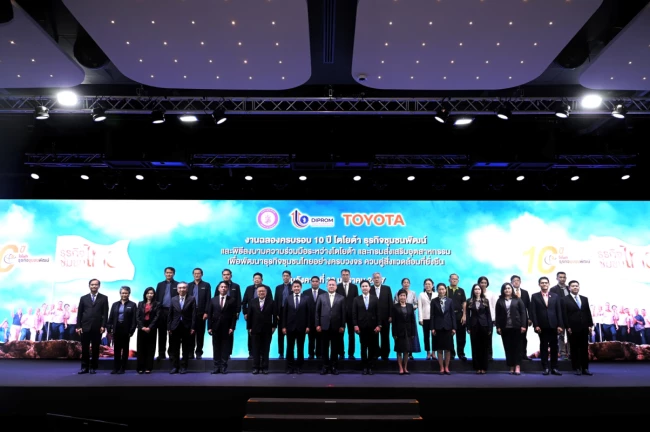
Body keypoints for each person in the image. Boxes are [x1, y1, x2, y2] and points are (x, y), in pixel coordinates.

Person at [530, 276, 564, 376]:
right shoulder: (535, 296)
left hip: (554, 325)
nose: (544, 284)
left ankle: (554, 368)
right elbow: (533, 312)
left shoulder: (555, 296)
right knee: (543, 347)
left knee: (554, 347)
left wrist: (560, 325)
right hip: (542, 326)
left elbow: (559, 311)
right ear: (539, 284)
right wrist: (536, 325)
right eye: (542, 283)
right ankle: (545, 367)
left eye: (546, 283)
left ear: (549, 284)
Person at [76, 279, 109, 375]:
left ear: (99, 286)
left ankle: (93, 367)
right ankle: (84, 367)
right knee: (85, 348)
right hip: (85, 327)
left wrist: (103, 325)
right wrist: (79, 326)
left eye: (96, 284)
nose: (94, 286)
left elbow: (105, 313)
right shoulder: (83, 298)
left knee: (95, 348)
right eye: (92, 284)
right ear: (89, 286)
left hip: (97, 327)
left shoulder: (104, 298)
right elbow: (79, 313)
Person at [562, 280, 594, 376]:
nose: (575, 287)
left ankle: (585, 368)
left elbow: (587, 312)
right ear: (569, 288)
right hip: (572, 328)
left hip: (584, 327)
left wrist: (590, 325)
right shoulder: (564, 299)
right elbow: (564, 314)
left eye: (576, 286)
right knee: (574, 348)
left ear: (579, 287)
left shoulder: (584, 299)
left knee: (584, 348)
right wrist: (567, 326)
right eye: (573, 286)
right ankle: (576, 368)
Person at [495, 282, 527, 375]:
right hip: (505, 327)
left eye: (509, 288)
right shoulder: (500, 301)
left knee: (517, 347)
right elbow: (497, 315)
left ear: (511, 289)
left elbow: (523, 313)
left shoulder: (517, 300)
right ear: (503, 290)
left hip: (516, 327)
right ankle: (511, 366)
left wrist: (523, 325)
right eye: (505, 288)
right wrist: (498, 327)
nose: (507, 290)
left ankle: (517, 366)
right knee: (508, 348)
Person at [315, 279, 346, 375]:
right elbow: (317, 312)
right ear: (327, 286)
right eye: (330, 285)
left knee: (335, 348)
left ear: (336, 287)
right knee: (324, 348)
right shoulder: (321, 297)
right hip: (324, 326)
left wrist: (342, 325)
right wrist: (317, 324)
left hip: (336, 327)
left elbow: (343, 313)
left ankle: (333, 366)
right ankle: (325, 366)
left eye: (333, 285)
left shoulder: (341, 298)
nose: (331, 286)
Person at [207, 281, 238, 374]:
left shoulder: (232, 300)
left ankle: (224, 367)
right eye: (222, 287)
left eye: (225, 287)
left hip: (227, 327)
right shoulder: (213, 300)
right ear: (218, 288)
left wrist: (232, 327)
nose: (223, 288)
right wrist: (209, 327)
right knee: (216, 347)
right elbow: (209, 314)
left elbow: (234, 315)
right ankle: (216, 367)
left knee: (225, 347)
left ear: (227, 289)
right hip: (215, 327)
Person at [167, 282, 196, 374]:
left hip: (187, 326)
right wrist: (169, 327)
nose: (182, 289)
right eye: (180, 288)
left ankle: (184, 367)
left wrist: (193, 327)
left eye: (184, 288)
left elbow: (194, 314)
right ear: (177, 289)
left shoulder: (192, 299)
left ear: (187, 289)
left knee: (185, 348)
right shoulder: (173, 299)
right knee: (174, 348)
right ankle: (175, 366)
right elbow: (170, 314)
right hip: (175, 326)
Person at [282, 280, 310, 374]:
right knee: (290, 348)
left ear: (301, 288)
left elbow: (308, 314)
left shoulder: (306, 298)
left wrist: (308, 326)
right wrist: (284, 326)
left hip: (302, 327)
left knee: (300, 348)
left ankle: (299, 367)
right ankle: (290, 367)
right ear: (292, 288)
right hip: (290, 327)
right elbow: (284, 313)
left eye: (298, 286)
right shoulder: (288, 298)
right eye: (295, 286)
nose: (296, 288)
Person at [107, 286, 137, 374]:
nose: (124, 295)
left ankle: (123, 368)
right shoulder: (115, 304)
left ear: (129, 294)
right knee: (116, 349)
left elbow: (134, 320)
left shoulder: (133, 305)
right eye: (123, 293)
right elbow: (111, 317)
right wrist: (109, 328)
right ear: (120, 293)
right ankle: (116, 368)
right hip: (116, 328)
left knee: (125, 349)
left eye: (126, 293)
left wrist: (131, 331)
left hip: (126, 329)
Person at [353, 280, 380, 375]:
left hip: (373, 327)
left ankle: (370, 366)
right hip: (362, 327)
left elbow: (378, 313)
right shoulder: (356, 299)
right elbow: (354, 313)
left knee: (372, 347)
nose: (364, 288)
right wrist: (355, 325)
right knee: (363, 347)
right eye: (363, 286)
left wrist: (379, 325)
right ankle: (364, 367)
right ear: (361, 288)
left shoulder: (375, 298)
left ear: (369, 287)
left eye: (366, 286)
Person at [247, 286, 276, 374]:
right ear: (257, 293)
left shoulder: (271, 302)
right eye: (259, 291)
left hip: (267, 329)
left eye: (263, 291)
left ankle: (265, 367)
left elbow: (275, 315)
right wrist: (249, 327)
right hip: (255, 329)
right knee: (255, 349)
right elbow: (249, 315)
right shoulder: (252, 302)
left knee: (266, 349)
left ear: (266, 292)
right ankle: (255, 367)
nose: (261, 293)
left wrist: (274, 326)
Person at [430, 283, 456, 375]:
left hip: (448, 327)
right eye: (439, 289)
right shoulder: (434, 301)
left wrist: (454, 327)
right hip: (438, 327)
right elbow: (432, 315)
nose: (441, 291)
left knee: (448, 349)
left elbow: (452, 315)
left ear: (445, 290)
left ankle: (447, 367)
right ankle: (441, 367)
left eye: (443, 289)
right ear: (437, 290)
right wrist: (432, 328)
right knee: (439, 348)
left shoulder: (450, 301)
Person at [466, 283, 491, 374]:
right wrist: (468, 327)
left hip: (484, 325)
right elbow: (468, 315)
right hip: (474, 325)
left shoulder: (485, 300)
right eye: (475, 289)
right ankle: (477, 367)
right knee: (475, 346)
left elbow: (488, 315)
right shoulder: (469, 301)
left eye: (479, 289)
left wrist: (489, 327)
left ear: (481, 291)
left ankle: (483, 367)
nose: (477, 291)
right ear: (473, 291)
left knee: (484, 347)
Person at [392, 288, 416, 375]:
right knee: (399, 350)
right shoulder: (395, 307)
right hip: (399, 332)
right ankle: (400, 368)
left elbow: (412, 321)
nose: (402, 297)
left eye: (404, 295)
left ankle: (405, 367)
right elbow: (394, 322)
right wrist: (394, 333)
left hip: (408, 331)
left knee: (406, 350)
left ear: (406, 296)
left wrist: (413, 332)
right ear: (398, 297)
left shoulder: (410, 306)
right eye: (401, 295)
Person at [136, 287, 160, 374]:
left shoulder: (157, 304)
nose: (149, 295)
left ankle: (148, 367)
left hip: (152, 328)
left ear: (154, 294)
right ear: (145, 294)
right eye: (148, 293)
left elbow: (157, 316)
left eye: (151, 293)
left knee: (150, 348)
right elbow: (137, 316)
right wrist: (142, 327)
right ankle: (140, 367)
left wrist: (150, 327)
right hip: (141, 328)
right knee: (141, 348)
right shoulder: (140, 303)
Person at [418, 278, 436, 361]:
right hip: (425, 318)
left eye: (429, 284)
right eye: (426, 284)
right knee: (426, 336)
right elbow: (420, 307)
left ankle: (434, 353)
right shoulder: (421, 294)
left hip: (435, 319)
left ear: (432, 285)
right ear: (424, 286)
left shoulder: (436, 294)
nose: (427, 285)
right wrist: (420, 319)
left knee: (435, 336)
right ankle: (428, 353)